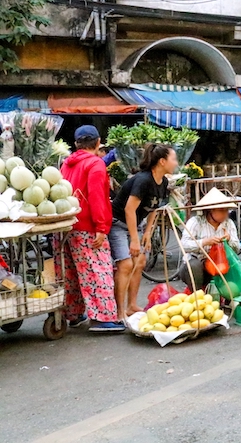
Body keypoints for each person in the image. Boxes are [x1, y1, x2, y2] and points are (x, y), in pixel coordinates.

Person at [58, 125, 125, 333]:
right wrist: (101, 227)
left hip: (65, 225)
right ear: (98, 143)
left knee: (71, 272)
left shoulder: (65, 165)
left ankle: (74, 313)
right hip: (87, 226)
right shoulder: (95, 164)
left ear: (76, 144)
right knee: (98, 271)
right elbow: (98, 197)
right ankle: (103, 318)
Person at [109, 143, 178, 316]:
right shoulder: (143, 180)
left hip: (136, 224)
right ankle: (119, 312)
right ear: (162, 161)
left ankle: (132, 305)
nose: (176, 163)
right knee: (125, 265)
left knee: (139, 262)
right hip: (118, 223)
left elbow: (154, 208)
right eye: (174, 159)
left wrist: (147, 232)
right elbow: (129, 209)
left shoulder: (163, 182)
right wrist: (134, 239)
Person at [178, 187, 240, 289]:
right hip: (199, 264)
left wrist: (229, 241)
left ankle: (230, 297)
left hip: (220, 264)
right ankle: (197, 296)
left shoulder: (228, 223)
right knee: (194, 267)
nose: (225, 214)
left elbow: (237, 248)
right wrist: (205, 242)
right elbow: (184, 245)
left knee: (238, 263)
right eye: (221, 210)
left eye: (226, 211)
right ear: (211, 210)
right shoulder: (196, 222)